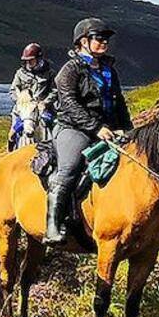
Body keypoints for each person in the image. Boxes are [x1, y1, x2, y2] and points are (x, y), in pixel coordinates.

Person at [46, 18, 132, 243]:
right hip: (73, 128)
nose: (104, 42)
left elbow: (119, 101)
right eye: (99, 38)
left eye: (106, 39)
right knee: (70, 167)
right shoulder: (69, 70)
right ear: (83, 41)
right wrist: (96, 128)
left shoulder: (109, 70)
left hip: (107, 129)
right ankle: (53, 226)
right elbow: (69, 104)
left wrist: (127, 130)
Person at [8, 43, 55, 150]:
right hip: (23, 110)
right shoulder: (20, 73)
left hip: (43, 109)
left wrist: (45, 102)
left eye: (31, 60)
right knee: (12, 133)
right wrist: (20, 101)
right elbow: (12, 90)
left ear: (38, 59)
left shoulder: (49, 73)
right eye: (26, 60)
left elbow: (54, 91)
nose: (28, 63)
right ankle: (10, 153)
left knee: (53, 128)